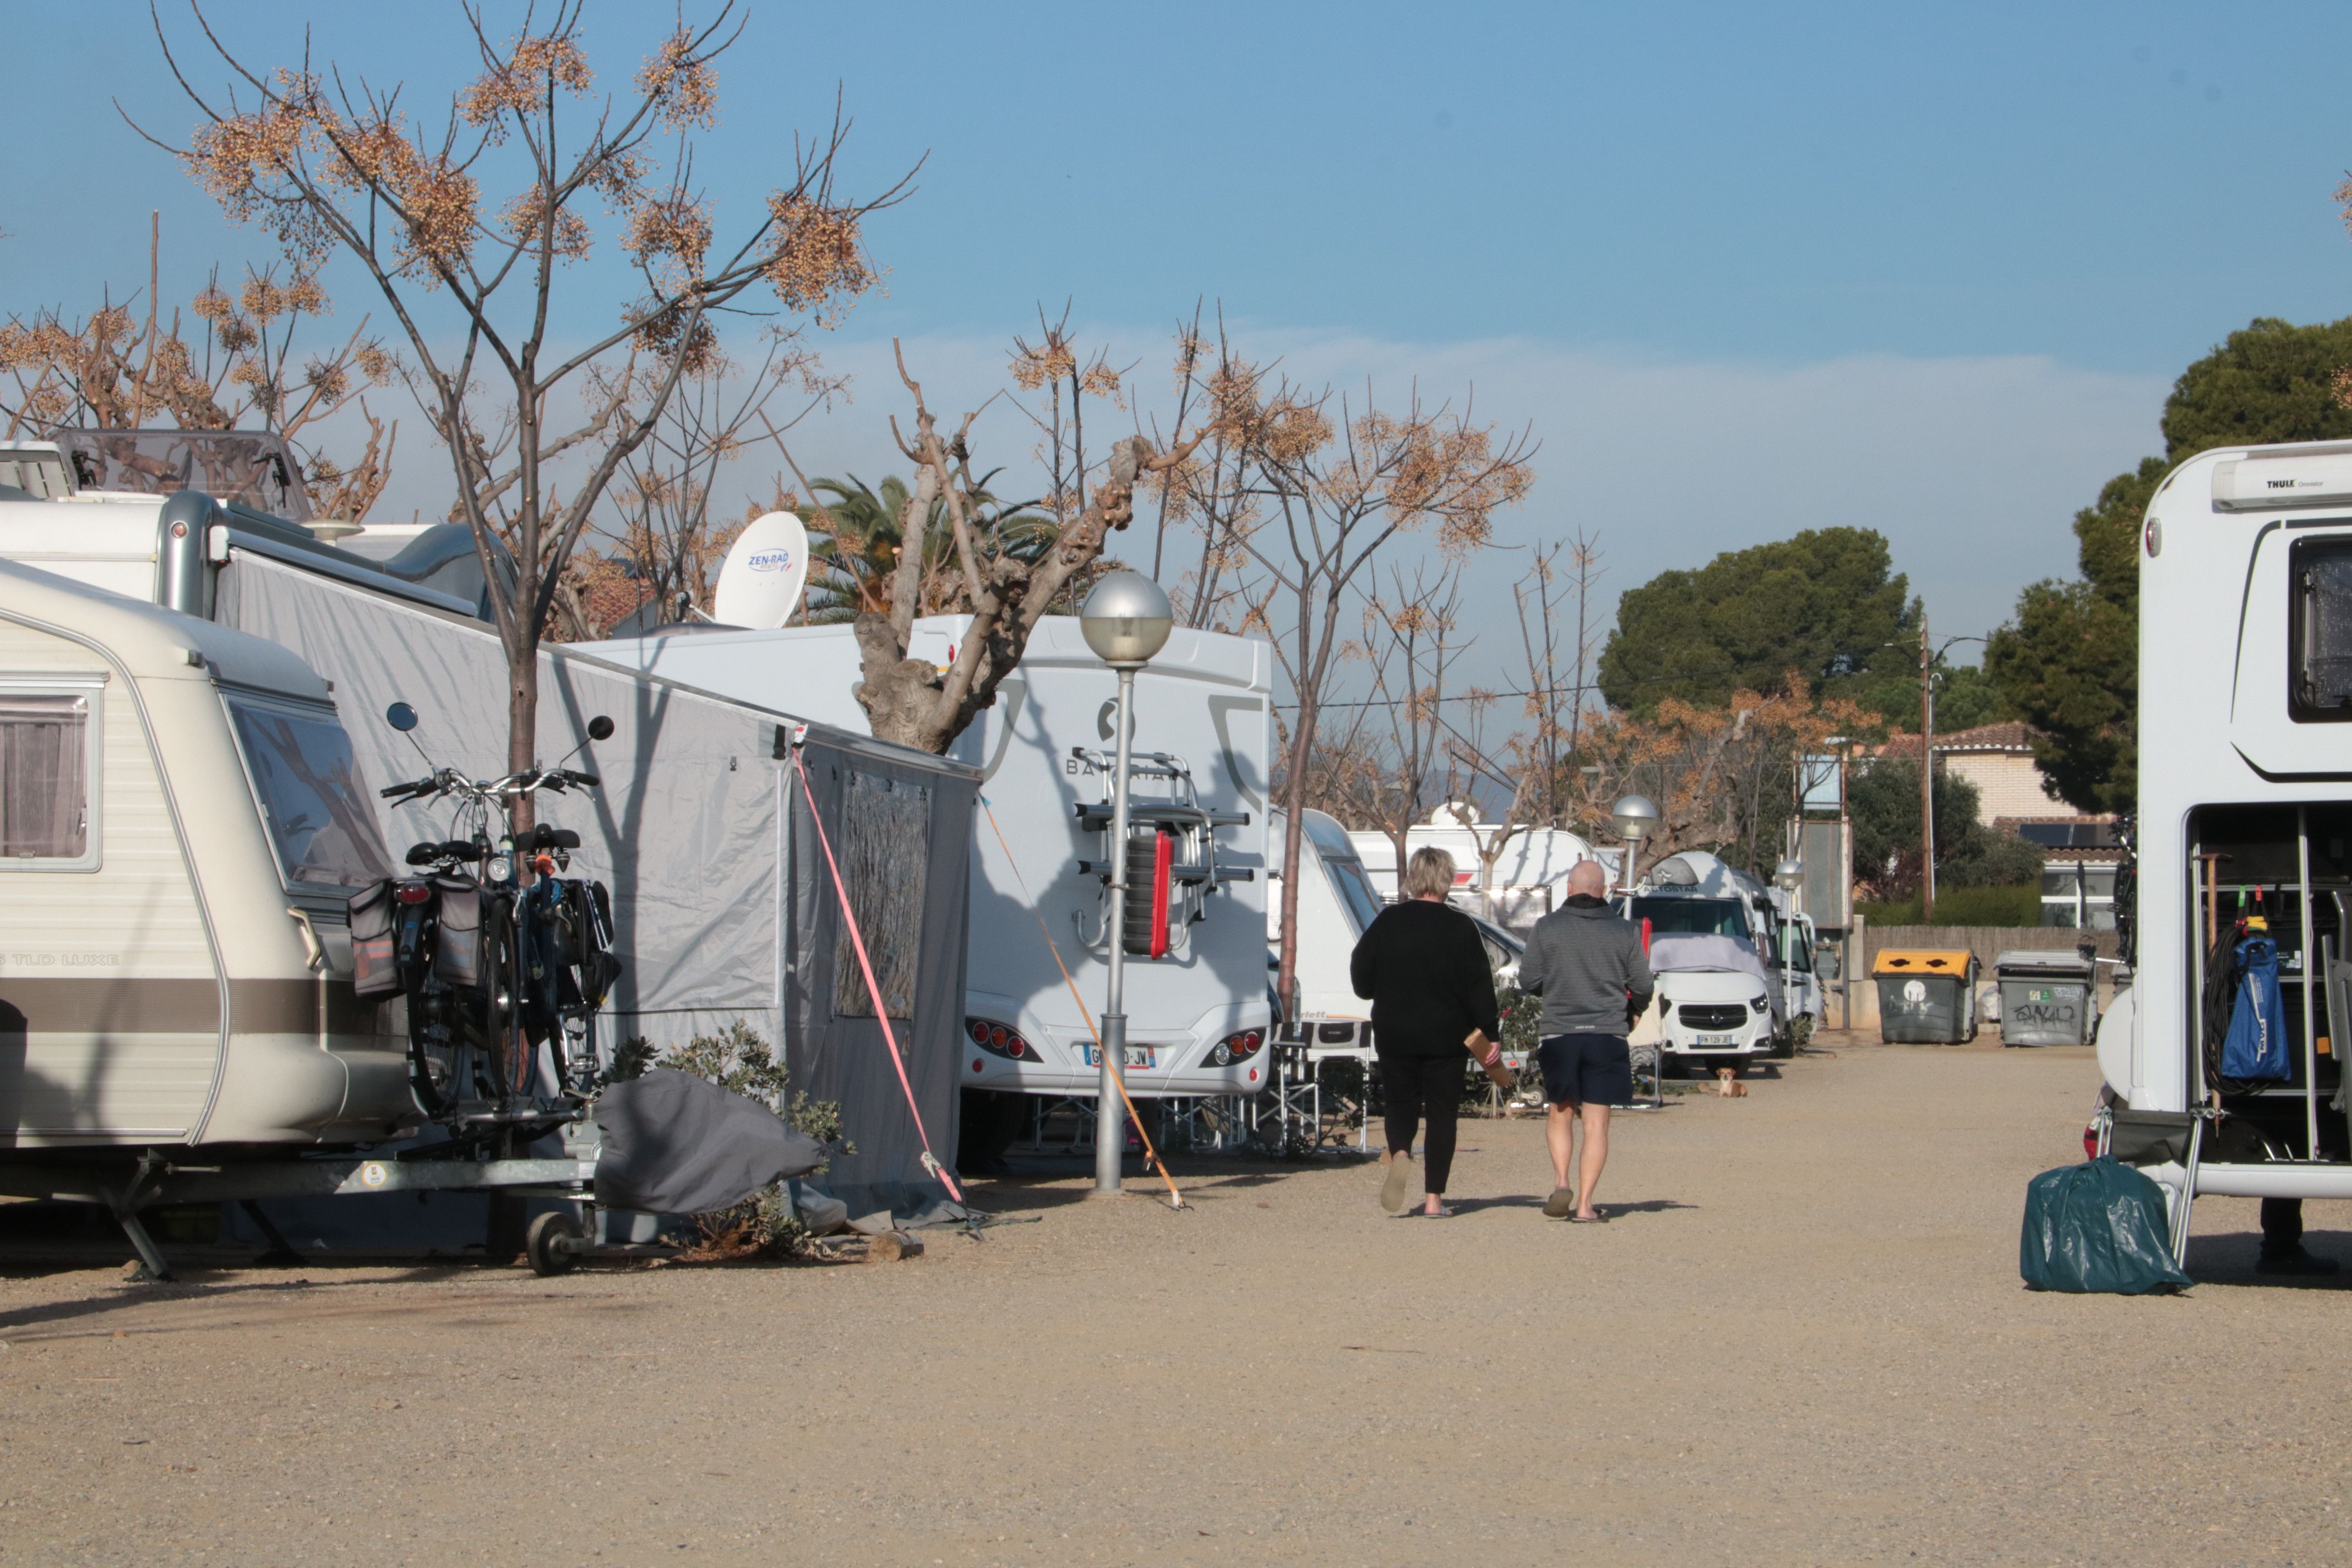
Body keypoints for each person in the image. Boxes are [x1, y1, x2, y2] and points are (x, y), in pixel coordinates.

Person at [1349, 846, 1500, 1217]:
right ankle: (1434, 1200)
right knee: (1441, 1114)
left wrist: (1380, 990)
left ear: (1413, 879)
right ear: (1446, 880)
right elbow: (1479, 985)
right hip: (1447, 1035)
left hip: (1395, 1030)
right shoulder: (1461, 926)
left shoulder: (1387, 922)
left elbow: (1361, 978)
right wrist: (1491, 1032)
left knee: (1400, 1102)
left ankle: (1401, 1151)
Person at [1518, 858, 1653, 1223]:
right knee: (1596, 1123)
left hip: (1560, 1033)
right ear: (1604, 891)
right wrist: (1634, 1008)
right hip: (1607, 1036)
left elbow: (1527, 980)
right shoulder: (1624, 932)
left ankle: (1562, 1181)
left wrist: (1558, 987)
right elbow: (1643, 985)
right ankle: (1585, 1205)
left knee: (1560, 1113)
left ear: (1569, 889)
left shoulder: (1547, 928)